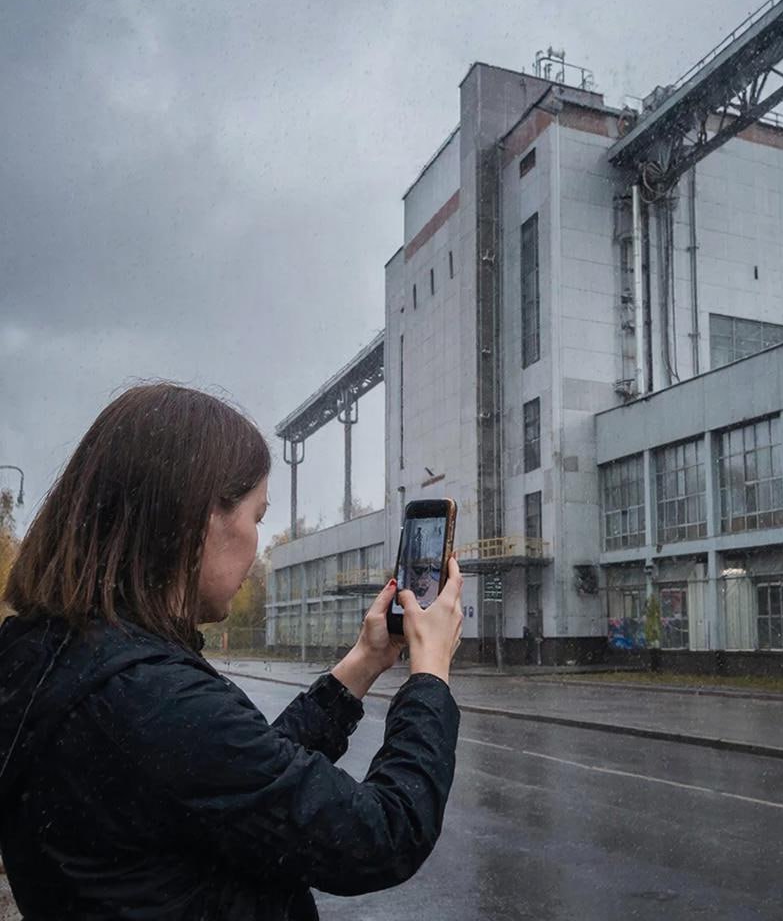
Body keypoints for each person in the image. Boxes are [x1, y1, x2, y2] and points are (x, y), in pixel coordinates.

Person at [0, 383, 463, 920]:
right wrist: (430, 677)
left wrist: (362, 664)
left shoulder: (57, 657)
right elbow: (383, 834)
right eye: (257, 516)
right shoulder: (153, 700)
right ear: (198, 519)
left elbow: (239, 781)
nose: (257, 542)